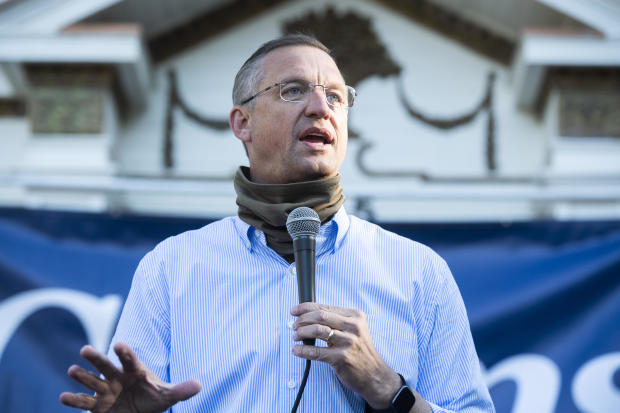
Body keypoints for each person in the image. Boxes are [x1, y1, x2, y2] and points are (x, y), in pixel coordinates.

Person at [60, 34, 494, 413]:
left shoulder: (419, 272)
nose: (321, 107)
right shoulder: (171, 268)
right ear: (242, 122)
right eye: (293, 90)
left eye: (338, 96)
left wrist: (390, 390)